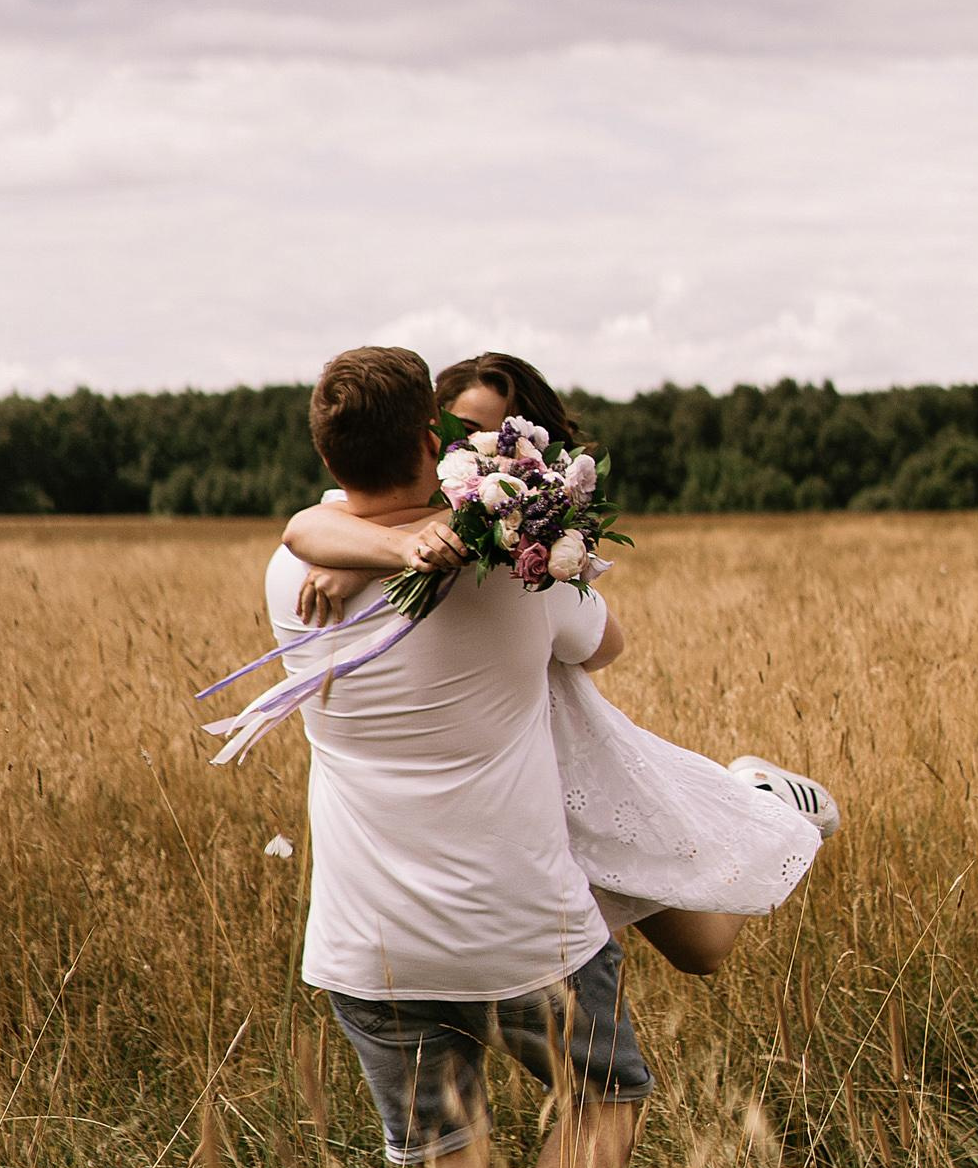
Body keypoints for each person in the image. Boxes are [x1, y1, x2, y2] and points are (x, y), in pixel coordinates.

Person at [262, 344, 651, 1168]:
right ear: (432, 444)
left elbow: (312, 526)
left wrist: (381, 551)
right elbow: (603, 646)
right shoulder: (521, 575)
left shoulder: (294, 571)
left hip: (372, 936)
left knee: (443, 1166)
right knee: (605, 1095)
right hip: (526, 931)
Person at [281, 350, 840, 979]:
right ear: (432, 434)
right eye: (467, 432)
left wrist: (370, 558)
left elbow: (603, 643)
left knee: (699, 948)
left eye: (500, 434)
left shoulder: (527, 539)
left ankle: (768, 801)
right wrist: (380, 551)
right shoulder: (371, 518)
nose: (485, 450)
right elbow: (305, 527)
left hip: (555, 738)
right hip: (492, 777)